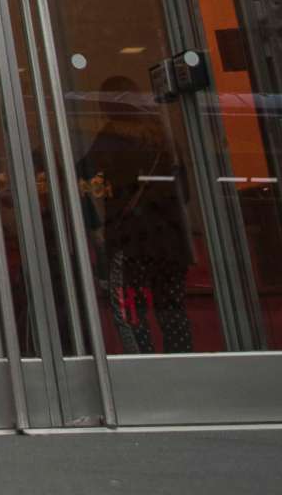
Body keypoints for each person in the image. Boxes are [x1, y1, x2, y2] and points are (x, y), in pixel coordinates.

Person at [78, 76, 193, 354]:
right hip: (172, 241)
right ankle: (183, 365)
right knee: (173, 310)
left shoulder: (109, 139)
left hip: (132, 241)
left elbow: (83, 179)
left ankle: (144, 369)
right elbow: (184, 191)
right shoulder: (163, 137)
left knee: (131, 312)